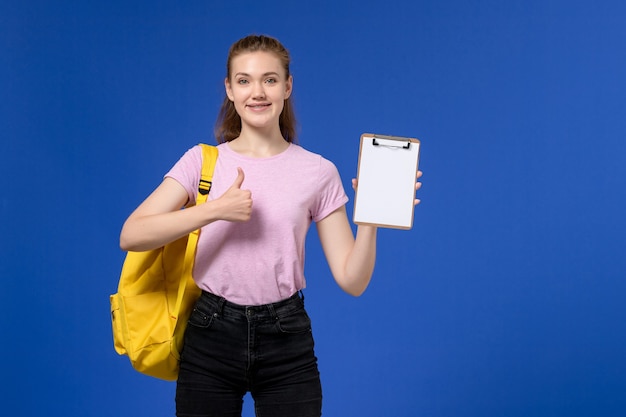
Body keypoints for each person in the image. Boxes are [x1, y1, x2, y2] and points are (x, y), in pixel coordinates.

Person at [120, 34, 422, 417]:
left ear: (287, 86)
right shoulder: (201, 161)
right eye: (244, 80)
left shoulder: (318, 171)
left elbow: (352, 280)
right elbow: (131, 234)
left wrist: (370, 219)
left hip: (286, 337)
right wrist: (213, 210)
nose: (257, 92)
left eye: (270, 79)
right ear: (229, 90)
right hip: (210, 331)